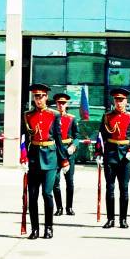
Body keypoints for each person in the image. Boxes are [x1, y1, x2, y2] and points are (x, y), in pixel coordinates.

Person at [22, 83, 67, 239]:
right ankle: (34, 229)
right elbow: (24, 138)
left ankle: (49, 228)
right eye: (36, 96)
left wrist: (64, 160)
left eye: (41, 96)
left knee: (47, 194)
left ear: (46, 97)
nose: (38, 99)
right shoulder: (27, 115)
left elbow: (59, 139)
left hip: (50, 158)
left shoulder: (54, 115)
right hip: (34, 158)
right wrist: (23, 157)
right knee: (32, 196)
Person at [96, 88, 130, 229]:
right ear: (113, 101)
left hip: (125, 156)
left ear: (126, 101)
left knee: (124, 188)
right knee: (110, 188)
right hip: (110, 156)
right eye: (117, 100)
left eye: (121, 100)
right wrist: (98, 153)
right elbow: (101, 136)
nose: (119, 102)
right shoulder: (107, 116)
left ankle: (123, 219)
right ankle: (110, 219)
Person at [52, 92, 79, 216]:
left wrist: (73, 146)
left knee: (70, 181)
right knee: (55, 181)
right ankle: (59, 207)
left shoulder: (72, 118)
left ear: (66, 104)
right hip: (55, 151)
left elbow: (77, 136)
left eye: (63, 103)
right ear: (56, 104)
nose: (61, 105)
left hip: (68, 151)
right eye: (59, 103)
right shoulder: (51, 117)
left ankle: (69, 207)